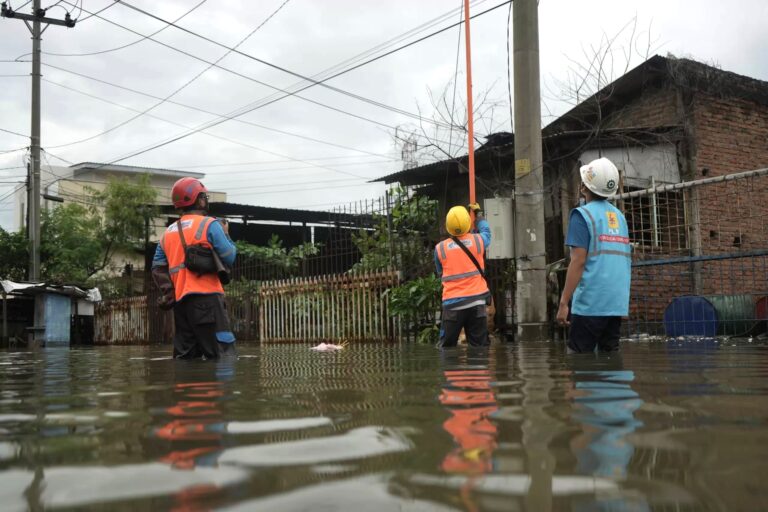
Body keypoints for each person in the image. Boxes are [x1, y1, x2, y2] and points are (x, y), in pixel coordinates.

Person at [152, 177, 237, 359]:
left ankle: (185, 387)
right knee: (223, 356)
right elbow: (230, 256)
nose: (205, 200)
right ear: (198, 199)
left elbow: (157, 267)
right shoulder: (210, 224)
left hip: (181, 305)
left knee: (185, 358)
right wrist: (226, 234)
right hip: (208, 301)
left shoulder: (167, 233)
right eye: (204, 196)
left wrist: (169, 292)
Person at [556, 157, 632, 353]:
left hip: (590, 304)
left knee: (578, 360)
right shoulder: (620, 217)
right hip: (615, 303)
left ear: (584, 187)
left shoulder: (581, 215)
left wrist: (564, 302)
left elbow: (578, 261)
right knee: (610, 359)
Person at [435, 203, 492, 347]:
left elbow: (440, 272)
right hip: (477, 303)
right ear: (468, 223)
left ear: (448, 227)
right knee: (480, 348)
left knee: (446, 348)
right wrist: (478, 214)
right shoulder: (478, 241)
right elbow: (486, 231)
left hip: (452, 305)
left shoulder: (440, 249)